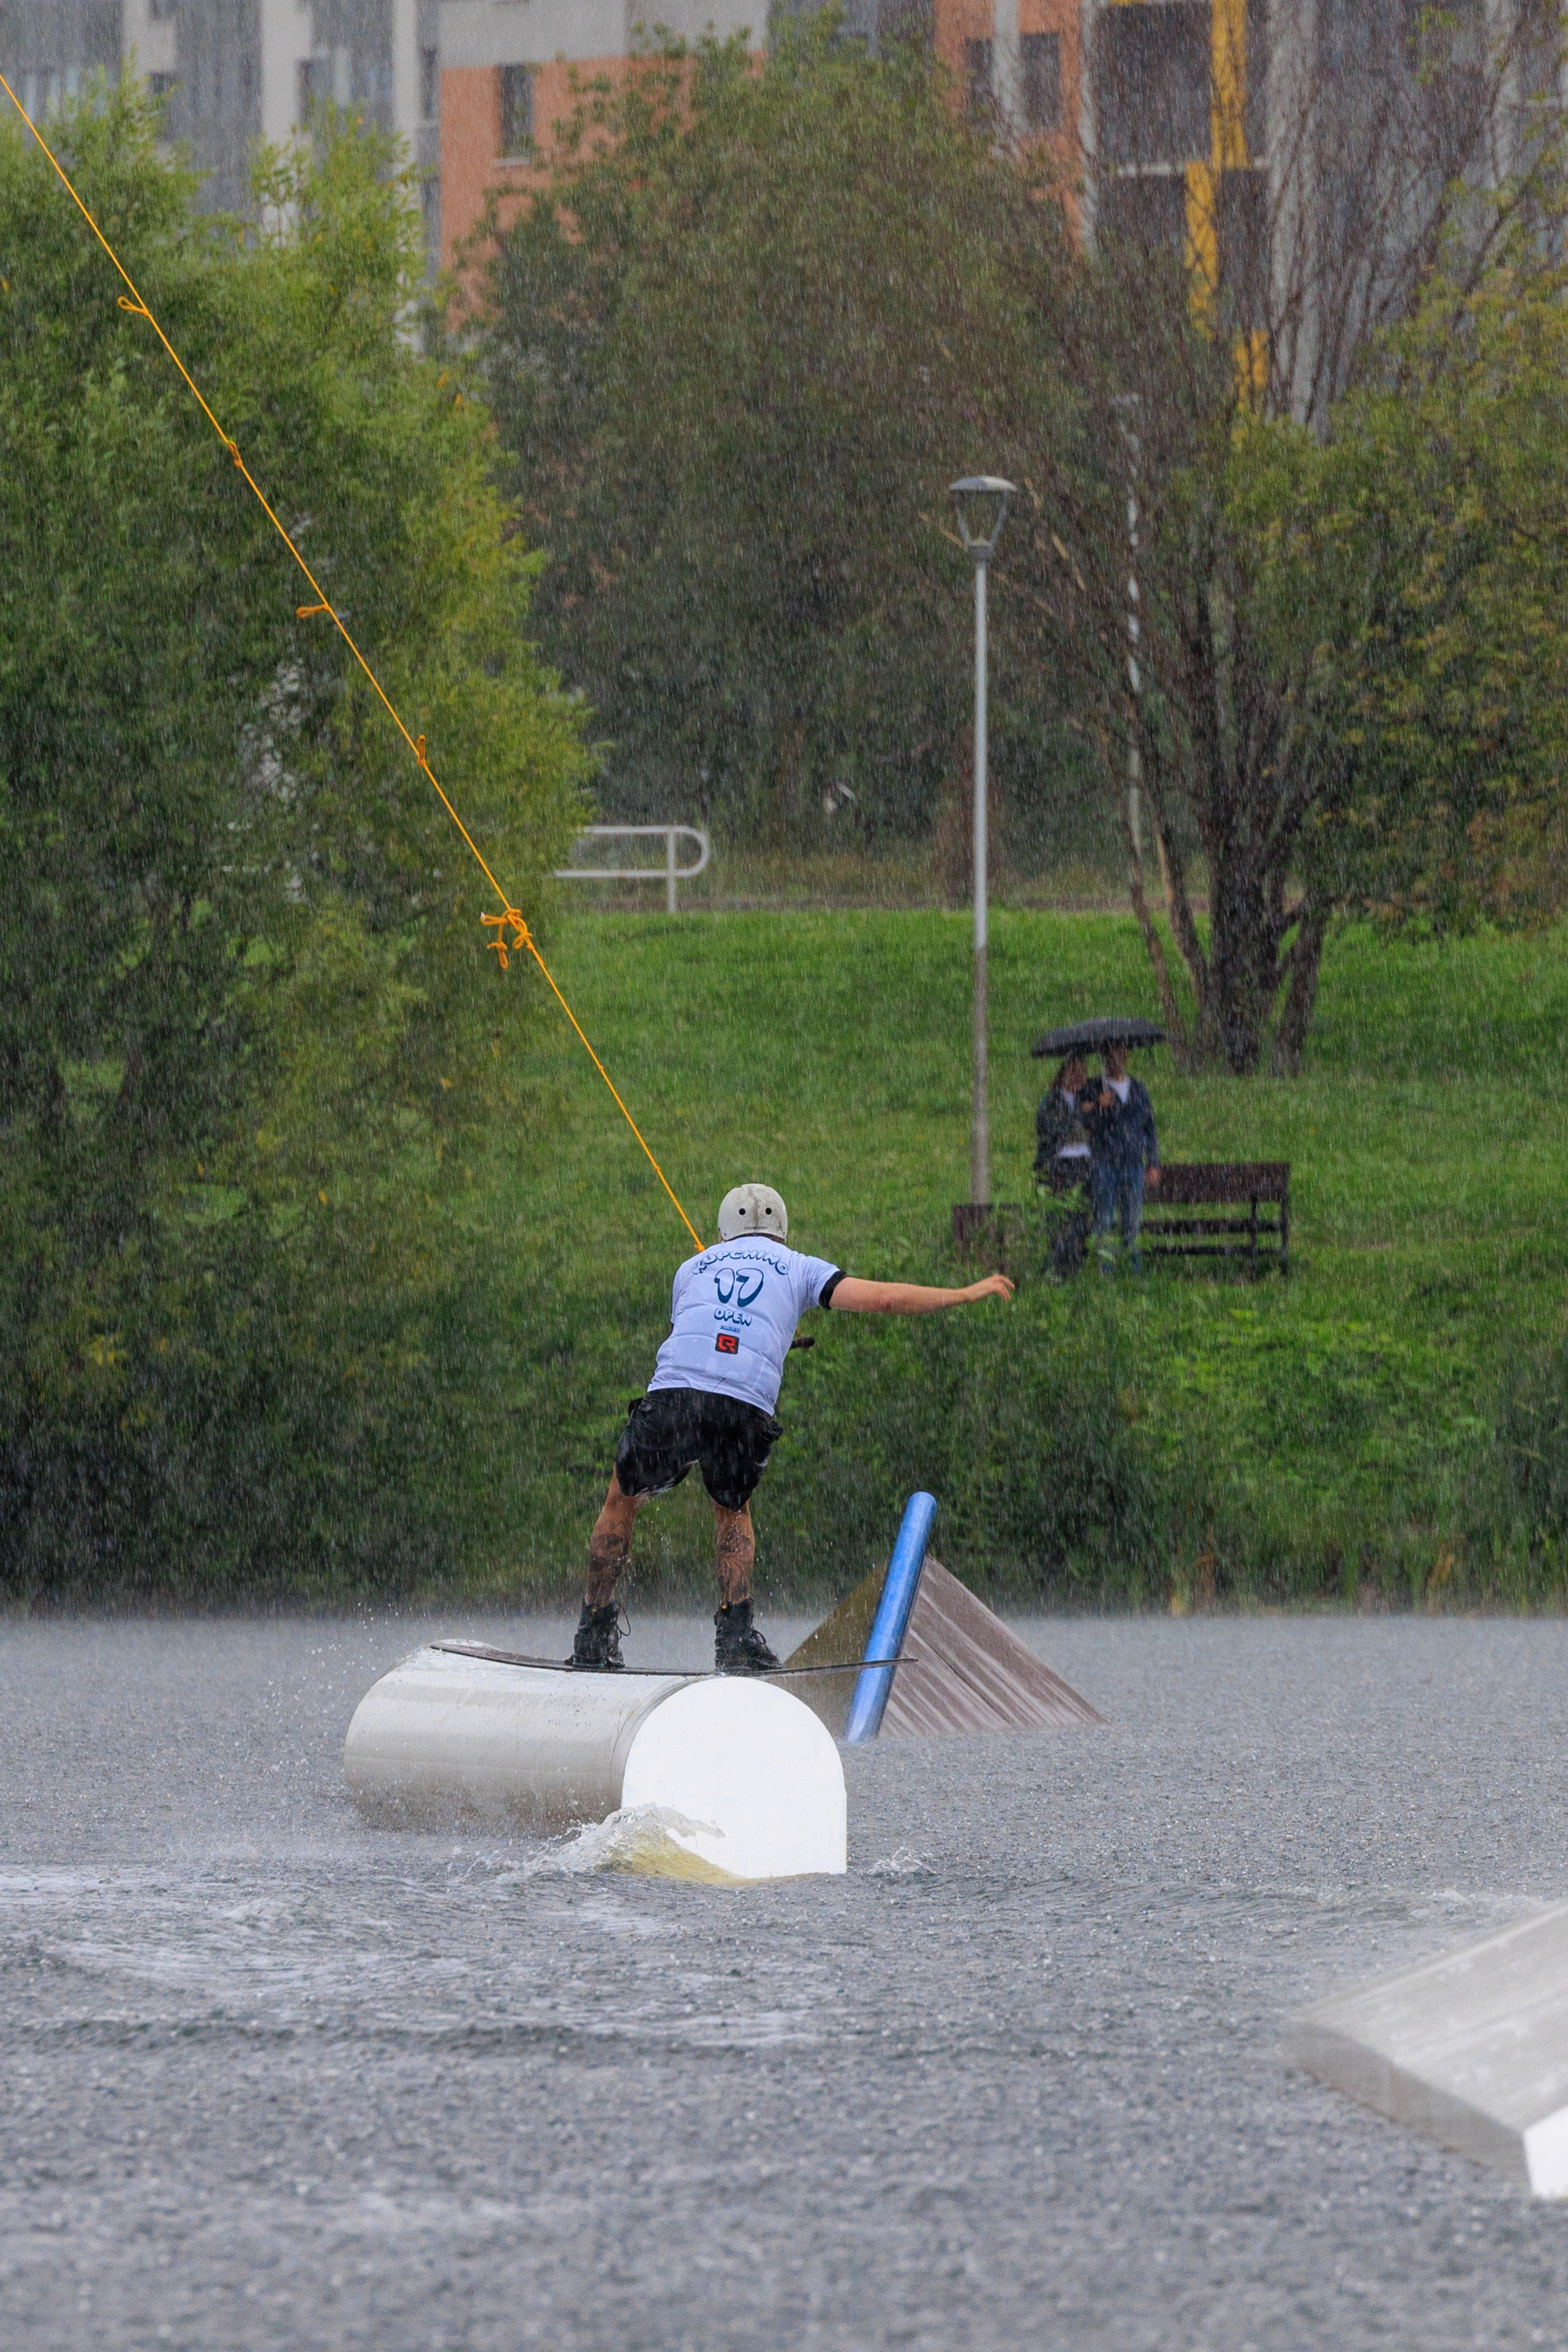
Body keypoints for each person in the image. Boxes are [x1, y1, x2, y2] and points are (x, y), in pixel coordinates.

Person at [571, 1182, 1016, 1674]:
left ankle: (593, 1634)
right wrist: (964, 1293)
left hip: (675, 1393)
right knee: (732, 1510)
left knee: (623, 1499)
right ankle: (736, 1641)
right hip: (743, 1406)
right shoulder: (801, 1267)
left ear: (722, 1234)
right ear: (782, 1233)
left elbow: (698, 1334)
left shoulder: (691, 1268)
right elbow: (885, 1299)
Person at [1082, 1043, 1161, 1273]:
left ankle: (1133, 1269)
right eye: (1111, 1055)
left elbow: (1149, 1128)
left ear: (1126, 1057)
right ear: (1105, 1058)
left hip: (1133, 1165)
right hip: (1105, 1164)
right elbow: (1086, 1124)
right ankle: (1104, 1269)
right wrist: (1099, 1105)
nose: (1116, 1060)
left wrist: (1153, 1162)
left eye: (1120, 1054)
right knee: (1104, 1220)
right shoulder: (1095, 1087)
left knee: (1132, 1221)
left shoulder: (1138, 1089)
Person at [1033, 1053, 1093, 1278]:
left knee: (1081, 1218)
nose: (1080, 1078)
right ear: (1064, 1074)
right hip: (1060, 1166)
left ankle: (1077, 1264)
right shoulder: (1051, 1101)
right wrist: (1080, 1114)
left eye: (1083, 1073)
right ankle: (1059, 1266)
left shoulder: (1084, 1099)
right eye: (1075, 1072)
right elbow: (1051, 1131)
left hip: (1084, 1165)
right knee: (1061, 1218)